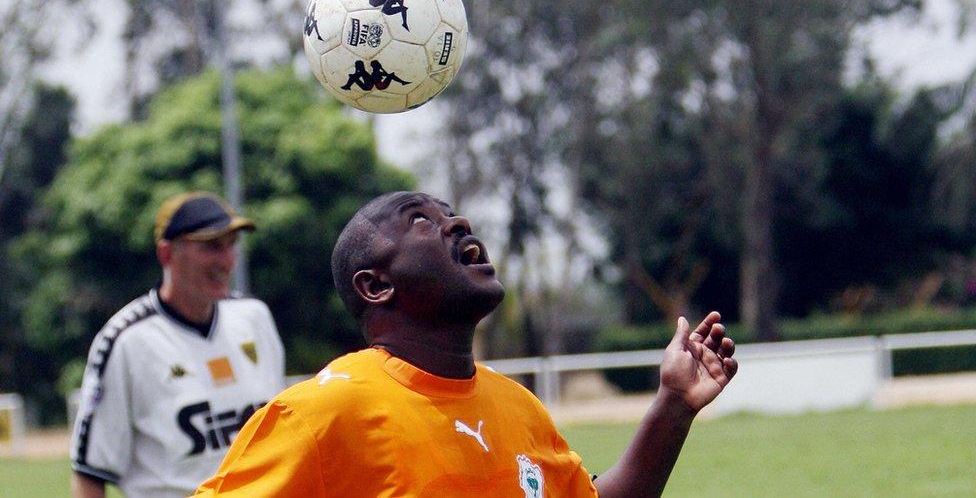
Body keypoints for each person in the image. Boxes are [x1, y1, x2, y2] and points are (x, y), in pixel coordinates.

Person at [195, 191, 737, 497]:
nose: (457, 222)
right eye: (421, 222)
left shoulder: (518, 407)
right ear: (376, 286)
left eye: (450, 212)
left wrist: (674, 406)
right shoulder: (321, 414)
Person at [70, 192, 286, 498]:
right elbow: (90, 471)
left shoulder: (255, 317)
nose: (226, 261)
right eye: (212, 247)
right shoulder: (126, 339)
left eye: (231, 245)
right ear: (167, 254)